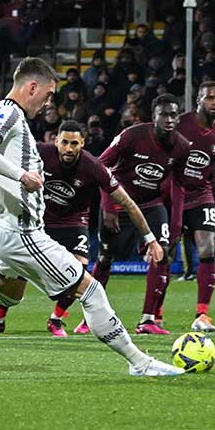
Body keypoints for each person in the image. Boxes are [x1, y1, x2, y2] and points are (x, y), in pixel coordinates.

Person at [0, 57, 182, 377]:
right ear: (32, 86)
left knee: (5, 293)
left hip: (2, 230)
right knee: (91, 290)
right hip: (21, 231)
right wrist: (21, 175)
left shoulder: (6, 117)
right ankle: (140, 362)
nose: (49, 101)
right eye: (49, 93)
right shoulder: (9, 113)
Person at [0, 120, 165, 337]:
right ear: (56, 141)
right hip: (38, 219)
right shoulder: (38, 152)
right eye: (64, 142)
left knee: (79, 269)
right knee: (13, 270)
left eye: (74, 143)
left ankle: (56, 319)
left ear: (82, 143)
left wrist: (150, 238)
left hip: (73, 221)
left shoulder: (93, 166)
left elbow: (127, 202)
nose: (68, 148)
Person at [74, 93, 189, 336]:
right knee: (105, 259)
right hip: (120, 203)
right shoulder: (132, 135)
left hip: (151, 204)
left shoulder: (181, 146)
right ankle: (90, 319)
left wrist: (176, 223)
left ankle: (147, 320)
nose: (169, 119)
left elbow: (179, 186)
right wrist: (109, 205)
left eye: (173, 114)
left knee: (162, 254)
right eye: (164, 114)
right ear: (154, 117)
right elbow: (100, 166)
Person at [174, 82, 215, 333]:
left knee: (207, 249)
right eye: (209, 97)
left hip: (202, 195)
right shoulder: (179, 124)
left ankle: (202, 314)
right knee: (166, 252)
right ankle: (153, 317)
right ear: (198, 100)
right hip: (174, 194)